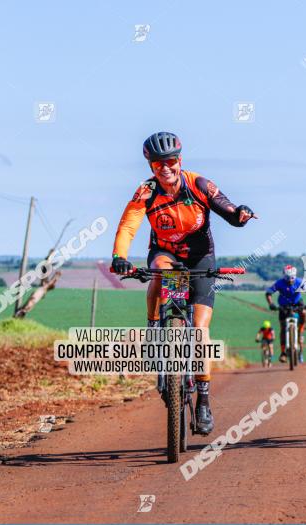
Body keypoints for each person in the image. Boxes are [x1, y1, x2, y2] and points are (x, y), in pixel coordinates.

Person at [111, 131, 256, 435]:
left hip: (201, 257)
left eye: (171, 161)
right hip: (166, 253)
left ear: (180, 160)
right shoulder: (146, 192)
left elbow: (227, 208)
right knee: (160, 273)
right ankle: (154, 327)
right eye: (157, 165)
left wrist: (240, 214)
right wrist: (120, 256)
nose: (165, 168)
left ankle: (203, 399)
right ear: (150, 167)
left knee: (201, 329)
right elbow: (128, 226)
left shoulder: (198, 183)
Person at [265, 265, 306, 361]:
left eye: (292, 278)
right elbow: (269, 293)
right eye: (287, 278)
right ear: (284, 276)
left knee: (303, 312)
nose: (290, 280)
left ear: (295, 276)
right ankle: (283, 352)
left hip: (297, 303)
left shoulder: (300, 282)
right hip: (284, 306)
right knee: (283, 328)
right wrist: (271, 304)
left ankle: (301, 328)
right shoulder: (279, 283)